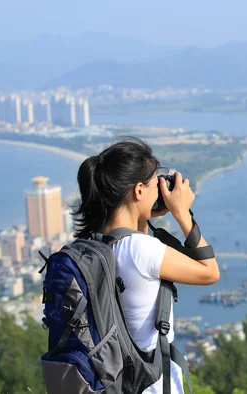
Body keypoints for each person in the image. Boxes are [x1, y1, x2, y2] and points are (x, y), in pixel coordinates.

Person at [74, 137, 220, 393]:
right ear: (138, 191)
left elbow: (133, 241)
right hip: (152, 385)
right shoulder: (143, 251)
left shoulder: (97, 245)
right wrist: (182, 214)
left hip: (116, 381)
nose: (161, 189)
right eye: (155, 184)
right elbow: (210, 272)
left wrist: (143, 212)